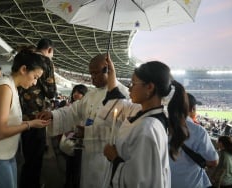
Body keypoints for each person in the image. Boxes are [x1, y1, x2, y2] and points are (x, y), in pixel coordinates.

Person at [38, 54, 141, 188]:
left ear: (107, 69)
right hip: (89, 155)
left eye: (96, 73)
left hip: (107, 155)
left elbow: (123, 129)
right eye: (91, 73)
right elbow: (73, 111)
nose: (92, 77)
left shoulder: (122, 94)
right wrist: (52, 115)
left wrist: (88, 131)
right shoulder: (91, 94)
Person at [103, 57, 189, 188]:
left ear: (149, 87)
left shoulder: (147, 128)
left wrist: (114, 157)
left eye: (133, 83)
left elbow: (138, 181)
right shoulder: (152, 119)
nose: (129, 89)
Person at [0, 49, 51, 188]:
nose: (35, 83)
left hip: (2, 156)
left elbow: (7, 123)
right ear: (23, 69)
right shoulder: (4, 88)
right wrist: (30, 124)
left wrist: (30, 123)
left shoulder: (11, 87)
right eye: (35, 77)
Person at [19, 38, 57, 188]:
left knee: (25, 157)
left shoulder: (26, 56)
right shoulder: (46, 61)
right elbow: (51, 92)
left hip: (20, 114)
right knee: (35, 158)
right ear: (49, 50)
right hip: (36, 117)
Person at [169, 93, 219, 188]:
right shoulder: (198, 130)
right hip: (191, 184)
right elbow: (213, 161)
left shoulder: (162, 125)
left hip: (167, 183)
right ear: (192, 109)